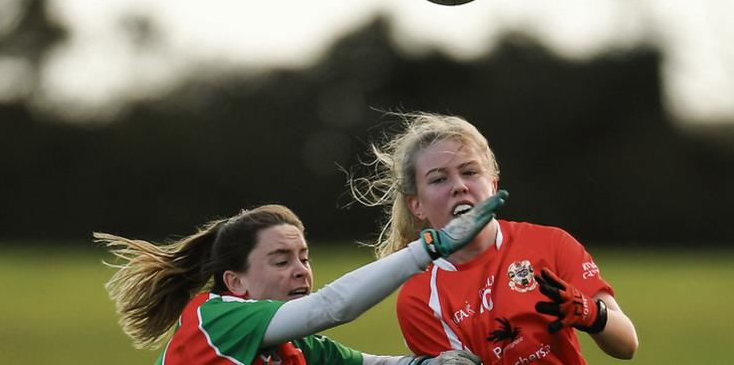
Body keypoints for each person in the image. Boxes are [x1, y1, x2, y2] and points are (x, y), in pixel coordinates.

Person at [348, 112, 638, 365]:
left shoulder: (550, 244)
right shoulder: (419, 298)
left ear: (493, 184)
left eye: (470, 172)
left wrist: (592, 314)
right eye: (439, 179)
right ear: (417, 205)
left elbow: (627, 345)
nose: (459, 186)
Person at [94, 197, 506, 365]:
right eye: (280, 260)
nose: (300, 270)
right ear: (236, 283)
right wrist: (428, 248)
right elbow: (333, 307)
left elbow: (367, 364)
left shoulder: (293, 348)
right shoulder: (216, 319)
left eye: (303, 258)